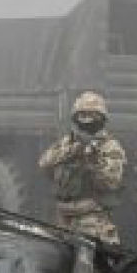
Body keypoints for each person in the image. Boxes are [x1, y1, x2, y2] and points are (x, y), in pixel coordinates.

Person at [38, 91, 126, 244]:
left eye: (92, 115)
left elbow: (111, 181)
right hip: (63, 219)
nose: (87, 120)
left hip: (92, 219)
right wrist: (72, 151)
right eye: (82, 115)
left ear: (101, 118)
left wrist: (90, 161)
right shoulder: (67, 143)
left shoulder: (110, 146)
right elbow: (44, 163)